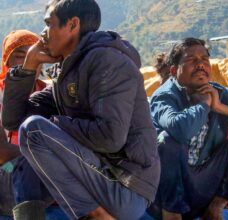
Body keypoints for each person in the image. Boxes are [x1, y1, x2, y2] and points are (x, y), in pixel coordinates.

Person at [1, 0, 160, 219]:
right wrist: (28, 66)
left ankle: (95, 215)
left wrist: (54, 123)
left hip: (124, 184)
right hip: (100, 178)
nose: (43, 33)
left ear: (73, 24)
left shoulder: (107, 61)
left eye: (49, 24)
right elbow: (13, 120)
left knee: (36, 131)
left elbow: (110, 137)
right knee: (32, 140)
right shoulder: (67, 73)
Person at [149, 37, 228, 220]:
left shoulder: (218, 93)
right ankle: (172, 213)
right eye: (191, 60)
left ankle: (216, 207)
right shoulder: (163, 97)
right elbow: (179, 129)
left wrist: (220, 108)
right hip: (164, 195)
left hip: (203, 187)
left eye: (204, 59)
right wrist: (203, 106)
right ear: (174, 71)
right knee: (168, 140)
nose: (200, 65)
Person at [0, 30, 51, 219]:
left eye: (33, 56)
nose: (27, 62)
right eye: (19, 57)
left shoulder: (49, 93)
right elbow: (2, 152)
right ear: (6, 62)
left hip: (40, 171)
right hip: (6, 169)